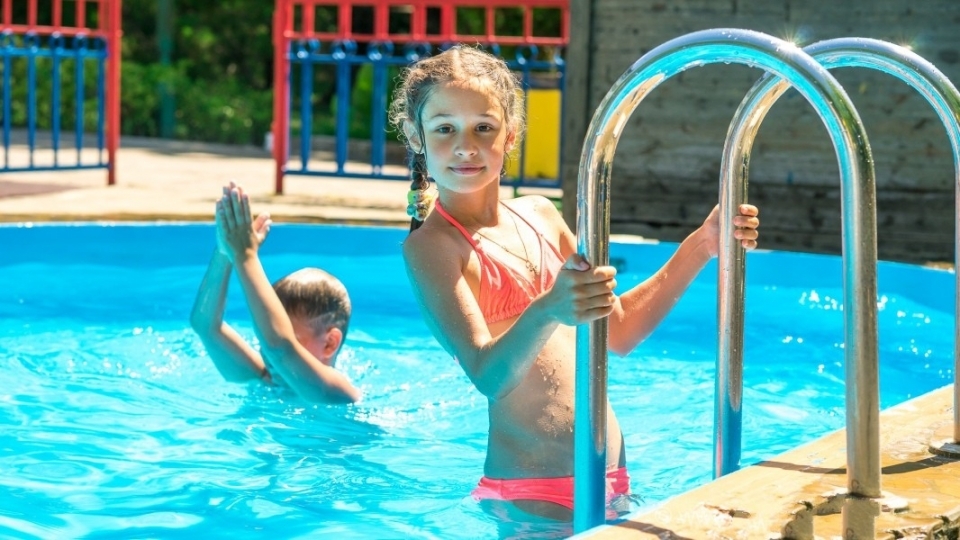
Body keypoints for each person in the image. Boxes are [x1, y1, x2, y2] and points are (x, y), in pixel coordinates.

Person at [390, 45, 760, 520]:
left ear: (511, 132)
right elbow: (488, 375)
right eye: (445, 129)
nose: (466, 146)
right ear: (416, 136)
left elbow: (619, 330)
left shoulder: (541, 214)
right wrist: (548, 309)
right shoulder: (433, 247)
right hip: (532, 493)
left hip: (611, 477)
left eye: (484, 127)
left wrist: (703, 244)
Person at [190, 182, 360, 404]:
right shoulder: (264, 377)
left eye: (291, 336)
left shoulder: (337, 393)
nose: (265, 351)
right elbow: (205, 326)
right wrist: (225, 253)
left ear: (329, 343)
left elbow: (279, 347)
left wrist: (246, 255)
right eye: (263, 331)